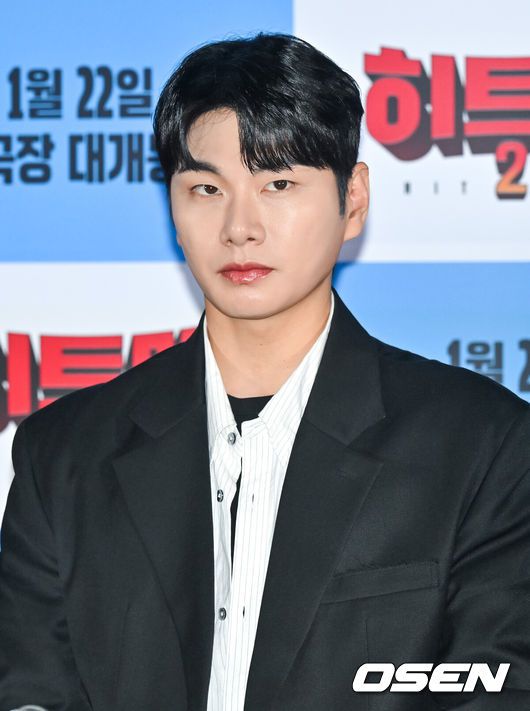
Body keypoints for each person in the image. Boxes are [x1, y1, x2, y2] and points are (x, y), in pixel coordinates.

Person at [0, 32, 529, 711]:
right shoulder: (62, 454)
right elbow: (29, 688)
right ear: (172, 205)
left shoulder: (483, 444)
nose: (240, 227)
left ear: (353, 199)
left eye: (279, 184)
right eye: (206, 188)